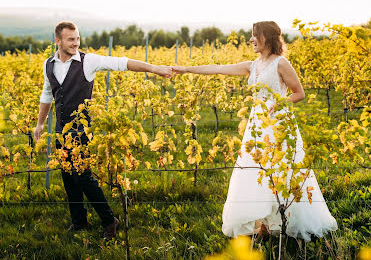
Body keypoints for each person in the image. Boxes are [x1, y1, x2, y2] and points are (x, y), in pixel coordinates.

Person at [172, 21, 338, 241]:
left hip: (278, 122)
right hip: (256, 124)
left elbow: (299, 93)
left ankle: (286, 217)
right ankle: (263, 221)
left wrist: (279, 103)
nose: (250, 40)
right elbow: (219, 69)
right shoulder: (253, 65)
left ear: (267, 38)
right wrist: (185, 69)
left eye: (254, 36)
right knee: (255, 168)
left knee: (281, 169)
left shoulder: (281, 63)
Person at [34, 21, 172, 240]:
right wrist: (40, 124)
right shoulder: (48, 64)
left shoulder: (88, 61)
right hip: (61, 130)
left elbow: (122, 63)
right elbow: (47, 94)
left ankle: (109, 221)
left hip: (81, 131)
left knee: (84, 176)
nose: (75, 43)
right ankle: (79, 221)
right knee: (68, 178)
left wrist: (153, 69)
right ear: (58, 41)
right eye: (71, 39)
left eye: (77, 38)